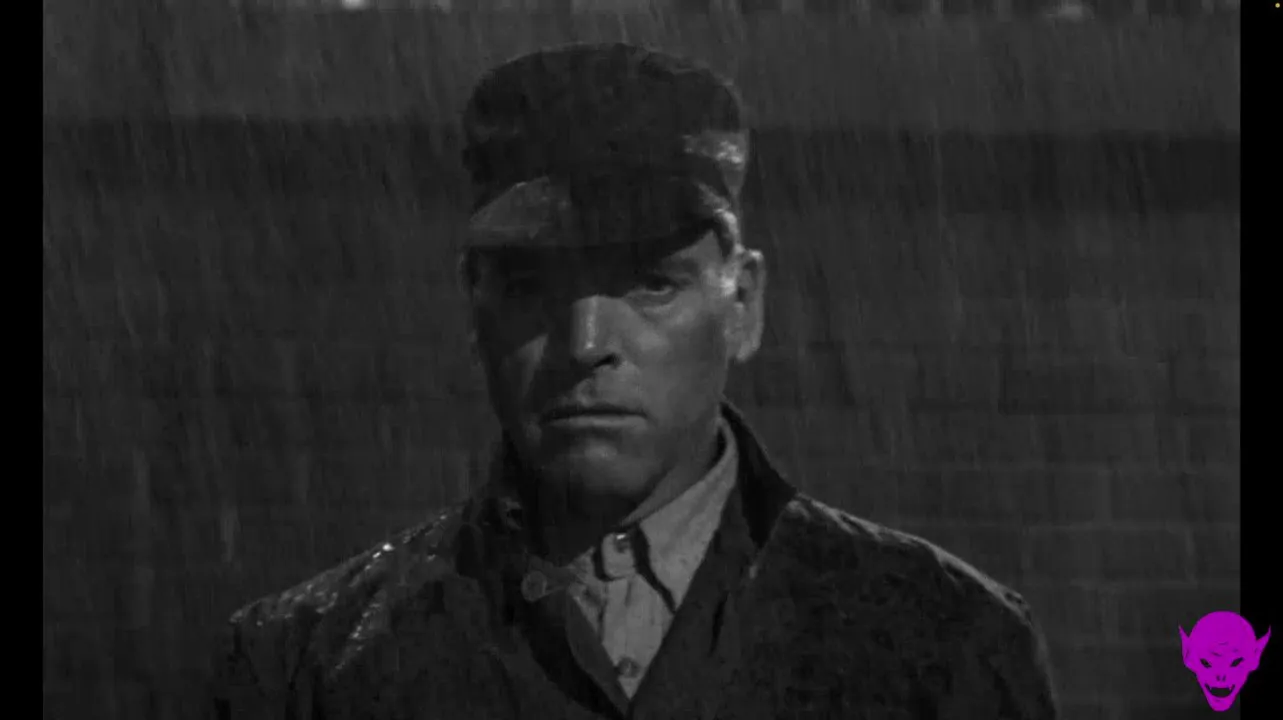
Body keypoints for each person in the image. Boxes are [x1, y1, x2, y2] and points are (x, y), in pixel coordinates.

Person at [211, 42, 1060, 720]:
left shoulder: (940, 643)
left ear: (742, 304)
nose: (584, 343)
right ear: (475, 306)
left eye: (650, 282)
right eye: (531, 285)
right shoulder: (305, 665)